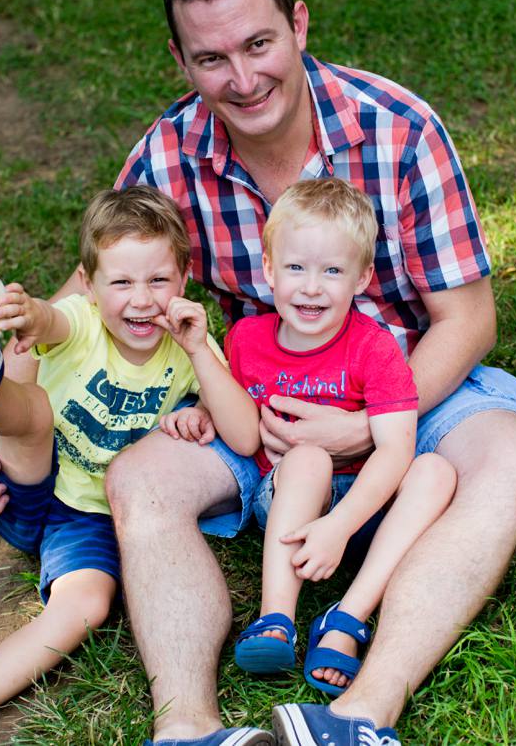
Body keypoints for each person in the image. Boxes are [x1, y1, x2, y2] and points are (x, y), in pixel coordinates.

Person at [0, 0, 516, 744]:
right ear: (180, 60)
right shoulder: (170, 154)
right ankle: (186, 727)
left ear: (298, 26)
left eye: (259, 43)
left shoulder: (398, 129)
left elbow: (469, 321)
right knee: (140, 476)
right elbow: (77, 304)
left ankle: (361, 716)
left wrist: (371, 423)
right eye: (211, 59)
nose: (242, 79)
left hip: (411, 385)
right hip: (258, 401)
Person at [0, 186, 260, 746]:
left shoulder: (187, 344)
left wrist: (199, 356)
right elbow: (50, 323)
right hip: (27, 483)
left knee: (87, 604)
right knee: (35, 409)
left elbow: (243, 432)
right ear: (88, 285)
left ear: (184, 279)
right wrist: (30, 317)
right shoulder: (80, 321)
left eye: (157, 280)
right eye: (121, 282)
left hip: (89, 521)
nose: (141, 300)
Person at [158, 179, 456, 699]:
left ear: (362, 278)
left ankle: (347, 619)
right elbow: (245, 431)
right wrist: (204, 408)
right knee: (311, 458)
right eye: (296, 268)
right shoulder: (247, 339)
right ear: (269, 269)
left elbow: (395, 449)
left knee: (435, 471)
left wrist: (340, 526)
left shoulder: (375, 347)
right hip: (290, 500)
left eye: (332, 271)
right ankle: (276, 617)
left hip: (363, 508)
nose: (312, 287)